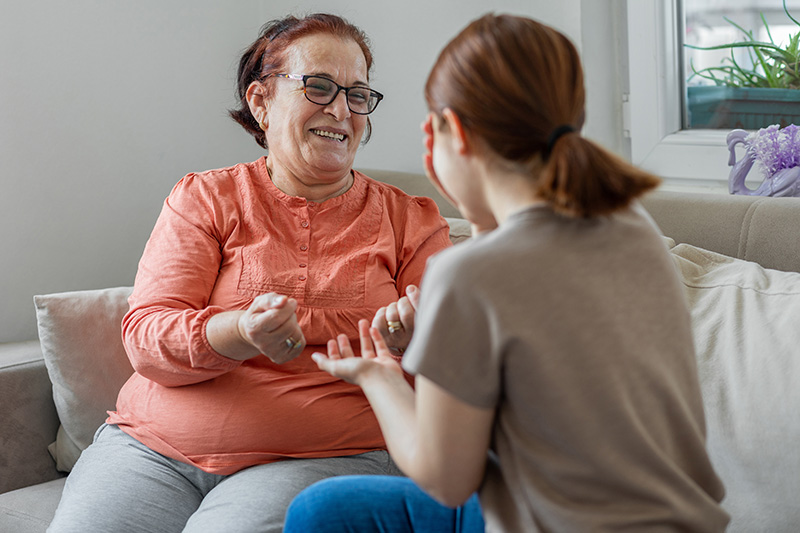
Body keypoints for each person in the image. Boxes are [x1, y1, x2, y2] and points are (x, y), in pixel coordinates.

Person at [284, 13, 730, 533]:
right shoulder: (631, 229)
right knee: (328, 508)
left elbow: (445, 479)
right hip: (684, 522)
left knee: (316, 513)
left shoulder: (468, 275)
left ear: (446, 134)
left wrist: (378, 377)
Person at [47, 13, 451, 533]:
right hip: (150, 450)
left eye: (358, 94)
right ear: (261, 102)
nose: (342, 110)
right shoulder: (204, 198)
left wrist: (416, 340)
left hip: (319, 457)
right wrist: (239, 330)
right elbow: (147, 338)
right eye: (320, 87)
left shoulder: (411, 220)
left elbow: (460, 362)